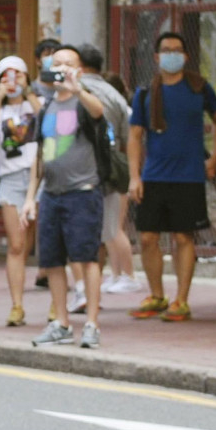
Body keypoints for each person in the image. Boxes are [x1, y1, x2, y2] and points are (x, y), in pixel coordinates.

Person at [127, 31, 216, 321]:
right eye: (167, 50)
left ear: (185, 56)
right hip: (154, 176)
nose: (172, 55)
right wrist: (134, 177)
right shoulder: (145, 93)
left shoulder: (199, 87)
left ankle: (181, 300)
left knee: (183, 237)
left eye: (177, 50)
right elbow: (134, 136)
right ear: (157, 57)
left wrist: (214, 158)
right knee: (148, 237)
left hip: (189, 176)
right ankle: (157, 295)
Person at [24, 44, 109, 349]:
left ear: (79, 70)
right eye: (55, 62)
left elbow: (99, 113)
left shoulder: (84, 102)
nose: (58, 68)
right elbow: (40, 156)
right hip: (52, 194)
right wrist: (30, 197)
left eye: (66, 64)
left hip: (83, 194)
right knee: (52, 260)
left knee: (86, 259)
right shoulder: (46, 106)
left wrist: (77, 89)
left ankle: (92, 324)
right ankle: (61, 323)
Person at [73, 44, 138, 293]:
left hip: (82, 172)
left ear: (79, 66)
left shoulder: (74, 91)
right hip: (110, 168)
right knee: (104, 230)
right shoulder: (114, 95)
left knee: (104, 231)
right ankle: (99, 284)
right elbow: (127, 136)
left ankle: (115, 280)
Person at [0, 54, 41, 326]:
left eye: (17, 74)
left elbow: (47, 119)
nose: (12, 80)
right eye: (6, 75)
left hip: (40, 175)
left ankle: (57, 305)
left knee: (46, 242)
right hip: (10, 178)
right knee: (16, 244)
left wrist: (28, 92)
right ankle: (17, 305)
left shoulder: (36, 103)